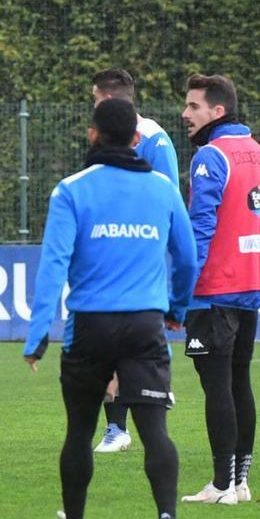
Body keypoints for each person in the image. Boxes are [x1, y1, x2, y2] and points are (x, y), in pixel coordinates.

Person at [24, 98, 197, 519]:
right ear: (137, 140)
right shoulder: (163, 188)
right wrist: (176, 309)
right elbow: (187, 258)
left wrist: (39, 333)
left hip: (89, 326)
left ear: (93, 135)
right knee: (155, 430)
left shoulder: (71, 190)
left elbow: (53, 265)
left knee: (80, 432)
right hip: (145, 324)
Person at [177, 74, 260, 506]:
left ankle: (221, 485)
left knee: (217, 385)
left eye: (193, 106)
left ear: (217, 112)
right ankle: (238, 481)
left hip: (215, 287)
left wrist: (183, 288)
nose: (185, 114)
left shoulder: (210, 156)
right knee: (239, 380)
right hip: (252, 283)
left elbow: (200, 227)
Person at [88, 68, 180, 455]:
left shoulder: (155, 139)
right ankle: (117, 428)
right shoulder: (101, 139)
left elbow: (169, 200)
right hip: (111, 253)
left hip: (141, 257)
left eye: (94, 100)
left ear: (107, 100)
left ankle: (153, 392)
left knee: (132, 338)